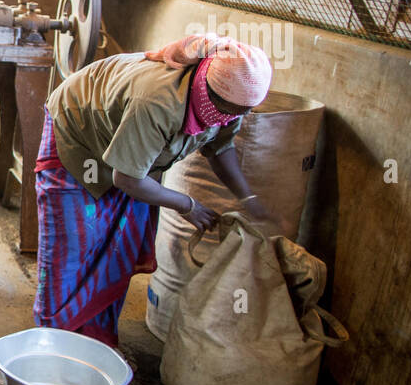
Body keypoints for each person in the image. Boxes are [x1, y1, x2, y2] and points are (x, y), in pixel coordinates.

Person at [33, 33, 277, 348]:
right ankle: (52, 342)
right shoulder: (157, 102)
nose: (228, 118)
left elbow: (219, 149)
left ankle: (92, 341)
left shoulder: (231, 102)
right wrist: (188, 205)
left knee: (117, 245)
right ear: (206, 89)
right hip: (79, 135)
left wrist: (247, 197)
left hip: (128, 158)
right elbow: (128, 181)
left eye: (238, 112)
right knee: (73, 244)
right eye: (224, 109)